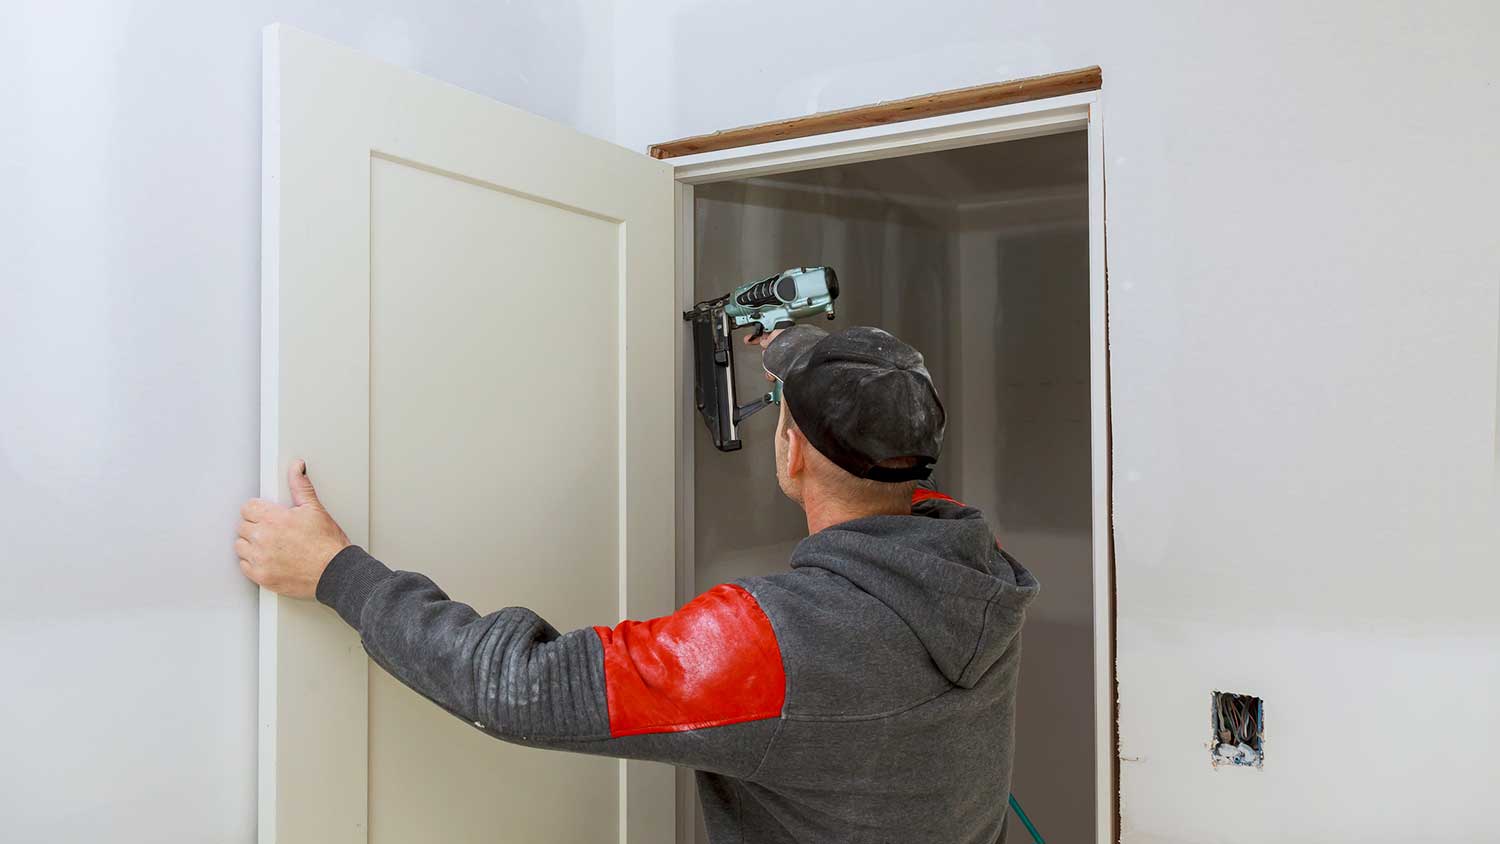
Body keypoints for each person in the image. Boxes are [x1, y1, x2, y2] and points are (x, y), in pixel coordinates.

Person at [236, 325, 1039, 843]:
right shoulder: (977, 567)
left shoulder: (774, 642)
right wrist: (802, 353)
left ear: (789, 451)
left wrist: (337, 572)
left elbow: (520, 687)